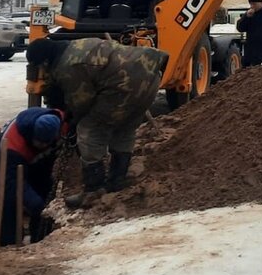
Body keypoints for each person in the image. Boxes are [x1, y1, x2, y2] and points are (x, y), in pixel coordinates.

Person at [25, 37, 169, 207]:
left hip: (123, 83)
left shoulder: (68, 65)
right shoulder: (74, 45)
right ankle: (117, 180)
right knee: (126, 127)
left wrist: (71, 121)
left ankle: (93, 190)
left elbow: (82, 102)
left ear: (45, 61)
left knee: (89, 130)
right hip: (149, 74)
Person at [0, 107, 67, 245]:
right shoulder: (13, 145)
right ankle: (8, 242)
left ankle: (41, 237)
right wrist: (34, 203)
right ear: (32, 134)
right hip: (0, 161)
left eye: (46, 143)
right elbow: (14, 182)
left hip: (34, 159)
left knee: (45, 191)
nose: (42, 145)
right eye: (39, 142)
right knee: (10, 199)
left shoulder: (63, 123)